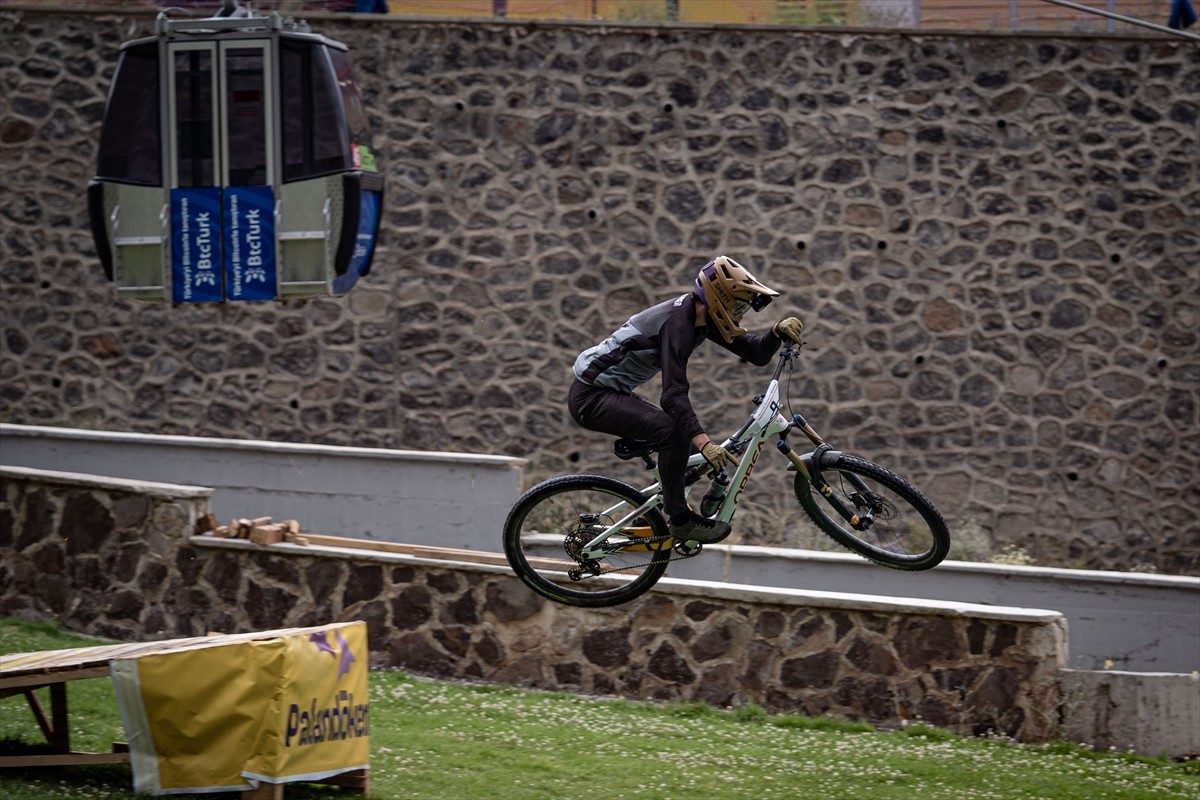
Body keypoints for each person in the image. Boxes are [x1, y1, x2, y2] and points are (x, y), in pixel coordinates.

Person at [568, 256, 805, 544]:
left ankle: (649, 517)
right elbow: (672, 393)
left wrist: (776, 331)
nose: (740, 314)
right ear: (718, 298)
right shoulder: (677, 324)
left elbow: (755, 353)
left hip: (611, 392)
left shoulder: (702, 317)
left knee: (680, 437)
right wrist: (705, 443)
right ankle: (679, 519)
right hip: (591, 398)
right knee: (676, 431)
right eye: (738, 305)